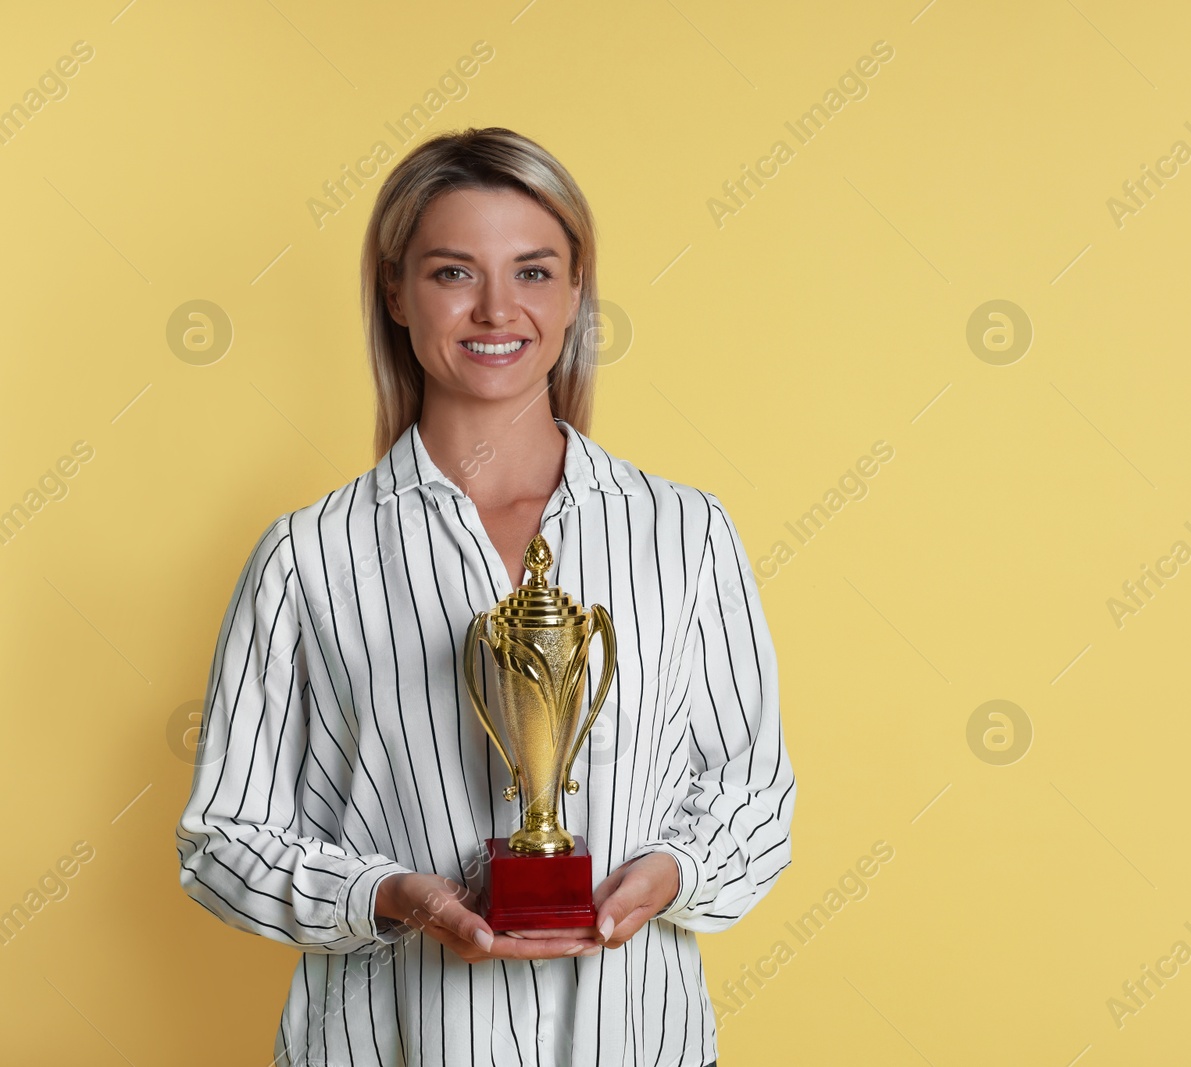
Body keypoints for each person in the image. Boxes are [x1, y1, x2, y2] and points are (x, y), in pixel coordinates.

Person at [175, 127, 795, 1067]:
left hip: (636, 1042)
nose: (498, 307)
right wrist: (391, 894)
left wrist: (668, 875)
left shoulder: (686, 533)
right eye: (454, 272)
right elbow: (223, 840)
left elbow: (753, 799)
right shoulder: (308, 556)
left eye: (535, 272)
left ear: (578, 289)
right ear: (396, 291)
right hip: (388, 1045)